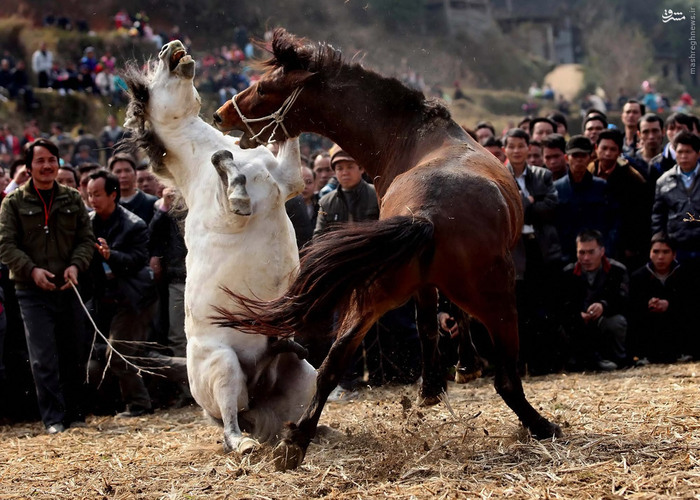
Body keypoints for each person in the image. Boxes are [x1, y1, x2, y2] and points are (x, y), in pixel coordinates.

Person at [0, 138, 94, 433]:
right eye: (39, 161)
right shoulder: (13, 203)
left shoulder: (72, 198)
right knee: (43, 358)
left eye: (51, 160)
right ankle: (53, 419)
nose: (47, 166)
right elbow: (6, 245)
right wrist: (31, 270)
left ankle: (76, 415)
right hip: (31, 291)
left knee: (73, 352)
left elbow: (85, 239)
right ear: (28, 168)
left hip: (69, 286)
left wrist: (76, 265)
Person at [86, 170, 157, 417]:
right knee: (128, 357)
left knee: (118, 354)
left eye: (97, 194)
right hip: (103, 299)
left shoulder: (134, 225)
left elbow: (137, 260)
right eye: (89, 195)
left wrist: (110, 255)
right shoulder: (89, 222)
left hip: (133, 299)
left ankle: (139, 405)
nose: (92, 200)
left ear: (113, 195)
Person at [503, 128, 562, 374]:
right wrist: (531, 202)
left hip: (539, 247)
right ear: (505, 149)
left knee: (542, 308)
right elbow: (503, 211)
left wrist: (522, 202)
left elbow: (551, 207)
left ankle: (541, 365)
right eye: (512, 146)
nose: (516, 151)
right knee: (518, 308)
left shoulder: (543, 175)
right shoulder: (498, 176)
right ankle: (518, 364)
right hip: (513, 249)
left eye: (521, 146)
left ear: (529, 148)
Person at [560, 229, 629, 371]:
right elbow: (561, 303)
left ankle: (618, 359)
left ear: (602, 251)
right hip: (578, 324)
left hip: (605, 320)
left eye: (591, 252)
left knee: (617, 322)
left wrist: (603, 306)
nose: (586, 258)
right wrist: (577, 314)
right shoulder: (568, 273)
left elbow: (624, 299)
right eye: (581, 252)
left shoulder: (617, 270)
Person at [629, 233, 695, 364]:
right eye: (656, 251)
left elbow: (691, 302)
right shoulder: (638, 276)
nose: (660, 257)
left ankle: (685, 352)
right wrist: (648, 303)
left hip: (676, 324)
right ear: (650, 253)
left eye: (665, 252)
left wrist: (669, 304)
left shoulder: (685, 274)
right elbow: (631, 305)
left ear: (674, 254)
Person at [589, 129, 649, 268]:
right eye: (604, 148)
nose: (608, 153)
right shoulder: (588, 171)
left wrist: (632, 246)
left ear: (619, 152)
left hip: (621, 243)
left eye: (612, 149)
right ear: (597, 148)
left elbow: (638, 216)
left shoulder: (633, 178)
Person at [554, 135, 609, 263]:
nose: (579, 160)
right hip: (566, 254)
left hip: (596, 253)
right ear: (567, 158)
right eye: (575, 156)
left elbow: (609, 220)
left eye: (583, 156)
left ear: (590, 158)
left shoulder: (601, 187)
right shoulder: (557, 188)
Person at [651, 131, 700, 271]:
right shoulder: (664, 181)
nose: (683, 156)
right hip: (676, 245)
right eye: (680, 152)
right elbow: (658, 215)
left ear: (698, 153)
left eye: (688, 152)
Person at [108, 153, 157, 224]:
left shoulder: (152, 203)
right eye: (118, 171)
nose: (123, 175)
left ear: (135, 173)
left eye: (127, 170)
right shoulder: (108, 205)